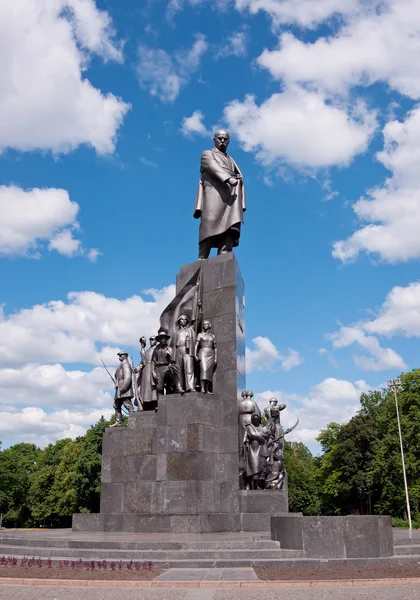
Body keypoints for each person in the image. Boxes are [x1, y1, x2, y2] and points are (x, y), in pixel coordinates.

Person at [194, 130, 246, 259]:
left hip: (231, 196)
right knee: (209, 223)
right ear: (214, 140)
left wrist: (238, 179)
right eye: (220, 138)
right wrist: (228, 178)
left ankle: (224, 255)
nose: (222, 141)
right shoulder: (207, 154)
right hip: (214, 192)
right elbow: (212, 166)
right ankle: (202, 257)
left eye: (225, 139)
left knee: (230, 227)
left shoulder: (231, 160)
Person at [152, 330, 184, 396]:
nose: (163, 339)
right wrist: (153, 371)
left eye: (164, 338)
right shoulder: (156, 349)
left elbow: (172, 359)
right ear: (159, 339)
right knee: (159, 387)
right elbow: (153, 361)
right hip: (158, 368)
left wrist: (170, 364)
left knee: (173, 373)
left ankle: (178, 387)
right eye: (162, 338)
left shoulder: (169, 348)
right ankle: (160, 402)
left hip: (167, 366)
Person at [243, 413, 268, 490]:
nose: (255, 420)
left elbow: (267, 433)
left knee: (263, 466)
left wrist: (263, 436)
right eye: (254, 419)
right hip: (254, 449)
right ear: (252, 420)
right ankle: (253, 485)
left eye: (257, 419)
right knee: (254, 466)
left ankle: (260, 484)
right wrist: (262, 436)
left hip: (262, 448)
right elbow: (253, 435)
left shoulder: (262, 426)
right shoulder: (249, 427)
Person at [110, 351, 134, 427]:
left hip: (123, 388)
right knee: (116, 405)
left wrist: (124, 387)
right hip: (119, 387)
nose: (119, 357)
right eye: (119, 355)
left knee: (128, 405)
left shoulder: (125, 364)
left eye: (121, 355)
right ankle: (118, 422)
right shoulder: (121, 365)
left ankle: (133, 421)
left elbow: (128, 377)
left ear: (125, 356)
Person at [134, 336, 158, 411]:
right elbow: (143, 361)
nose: (151, 341)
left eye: (152, 339)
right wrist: (137, 369)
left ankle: (155, 404)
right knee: (145, 390)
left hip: (153, 370)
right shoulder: (148, 351)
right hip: (145, 371)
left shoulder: (157, 349)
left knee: (153, 389)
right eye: (150, 339)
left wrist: (154, 371)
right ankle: (146, 404)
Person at [174, 315, 196, 392]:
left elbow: (194, 342)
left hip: (187, 350)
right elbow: (174, 345)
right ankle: (179, 387)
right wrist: (173, 357)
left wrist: (192, 353)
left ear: (187, 321)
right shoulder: (177, 332)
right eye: (181, 319)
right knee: (178, 370)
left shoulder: (190, 330)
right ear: (179, 321)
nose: (183, 321)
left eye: (185, 319)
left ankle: (190, 386)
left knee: (189, 369)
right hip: (178, 350)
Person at [195, 320, 217, 394]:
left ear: (209, 325)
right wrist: (195, 355)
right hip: (203, 352)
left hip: (210, 353)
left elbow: (215, 348)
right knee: (204, 370)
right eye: (204, 324)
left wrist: (215, 358)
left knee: (209, 372)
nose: (205, 325)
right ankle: (202, 388)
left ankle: (207, 389)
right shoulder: (200, 335)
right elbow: (196, 345)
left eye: (207, 324)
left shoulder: (212, 336)